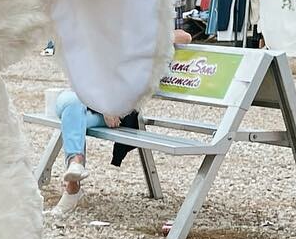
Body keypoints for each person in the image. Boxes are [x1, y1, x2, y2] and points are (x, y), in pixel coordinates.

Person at [52, 27, 193, 217]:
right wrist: (104, 106)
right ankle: (75, 169)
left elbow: (185, 36)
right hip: (85, 99)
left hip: (114, 112)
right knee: (71, 103)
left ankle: (73, 182)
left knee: (72, 115)